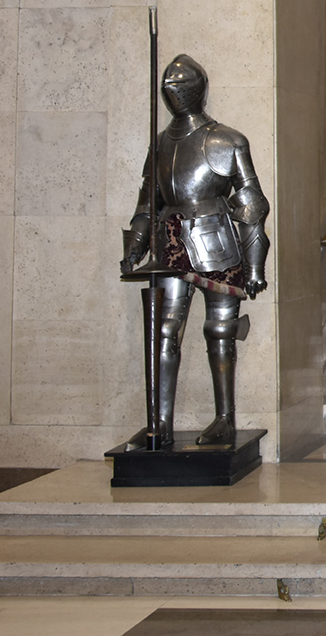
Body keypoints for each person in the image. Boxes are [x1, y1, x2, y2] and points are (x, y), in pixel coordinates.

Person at [120, 55, 270, 446]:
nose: (176, 93)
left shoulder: (227, 140)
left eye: (182, 86)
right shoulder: (160, 143)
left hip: (215, 239)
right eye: (171, 88)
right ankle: (160, 423)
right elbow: (147, 203)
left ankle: (225, 418)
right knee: (165, 331)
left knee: (219, 331)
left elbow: (252, 205)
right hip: (168, 242)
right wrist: (135, 244)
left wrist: (255, 267)